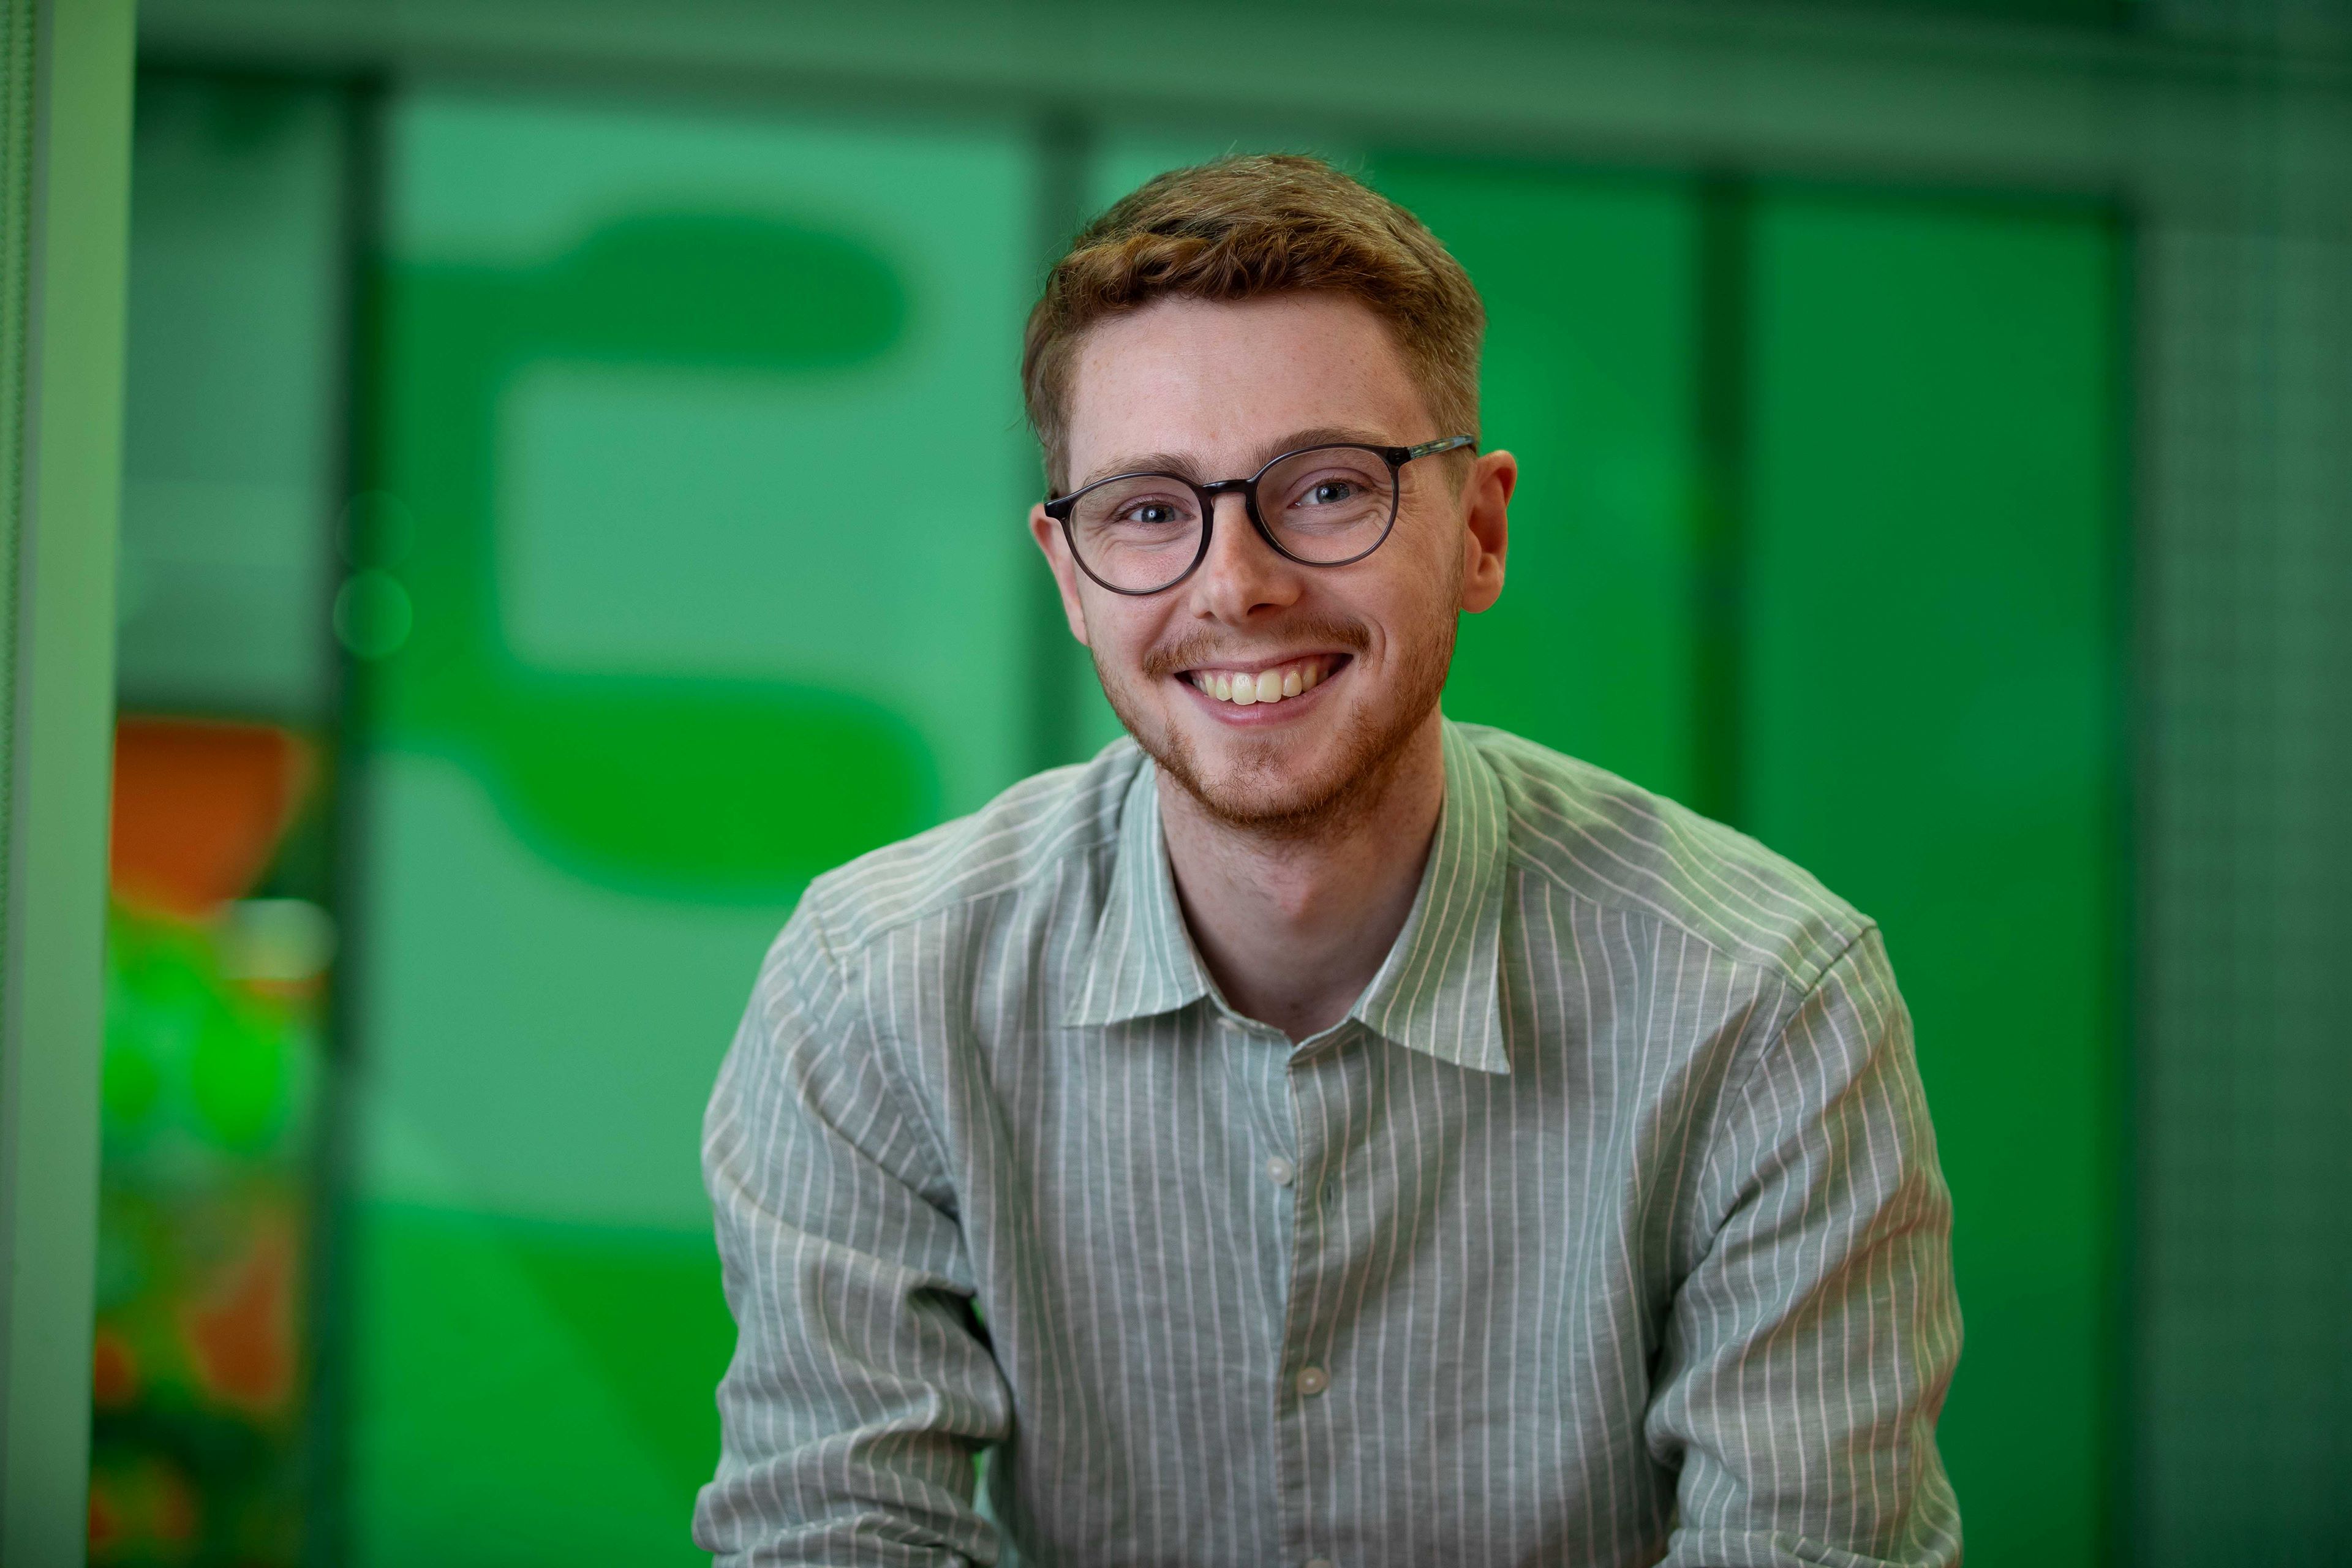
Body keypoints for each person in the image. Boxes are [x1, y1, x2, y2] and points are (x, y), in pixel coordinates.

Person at [693, 154, 1962, 1568]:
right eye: (1150, 510)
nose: (1236, 584)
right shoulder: (875, 992)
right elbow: (838, 1536)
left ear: (1478, 530)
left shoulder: (1769, 1005)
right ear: (1068, 573)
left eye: (1328, 489)